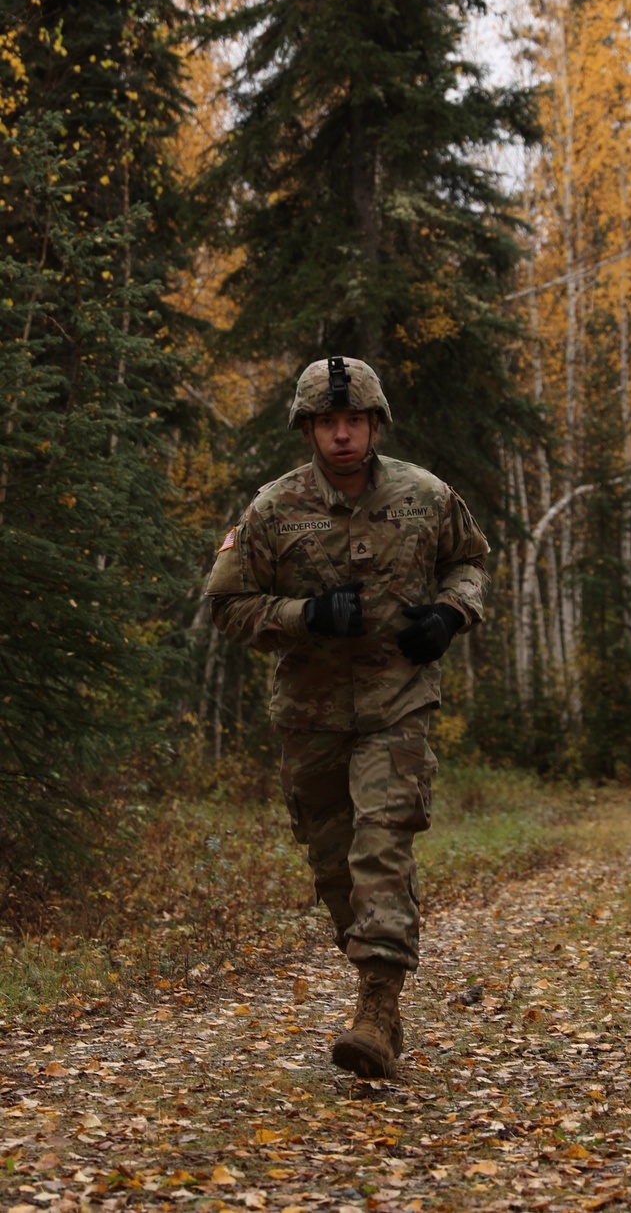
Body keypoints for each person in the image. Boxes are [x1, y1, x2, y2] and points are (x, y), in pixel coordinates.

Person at [205, 356, 490, 1078]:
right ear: (308, 428)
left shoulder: (426, 496)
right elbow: (228, 607)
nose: (341, 434)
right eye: (328, 422)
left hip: (398, 707)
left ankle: (376, 1010)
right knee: (336, 870)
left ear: (374, 424)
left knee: (381, 848)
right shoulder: (272, 509)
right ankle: (375, 984)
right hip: (310, 716)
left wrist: (452, 615)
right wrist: (306, 615)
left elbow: (472, 563)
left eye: (353, 420)